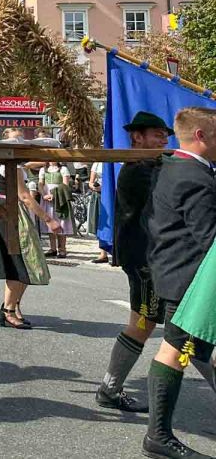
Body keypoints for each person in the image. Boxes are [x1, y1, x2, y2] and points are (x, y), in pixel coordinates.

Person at [140, 108, 216, 459]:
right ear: (201, 136)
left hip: (175, 270)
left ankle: (158, 436)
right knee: (175, 350)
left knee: (190, 350)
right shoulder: (194, 177)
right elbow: (209, 236)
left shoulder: (173, 165)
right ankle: (158, 436)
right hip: (191, 279)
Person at [96, 112, 173, 412]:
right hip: (145, 262)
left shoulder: (152, 165)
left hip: (152, 259)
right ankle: (109, 389)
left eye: (166, 135)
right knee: (146, 324)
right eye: (157, 134)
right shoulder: (140, 170)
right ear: (137, 137)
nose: (164, 140)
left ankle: (109, 388)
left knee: (151, 324)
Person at [0, 127, 59, 329]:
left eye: (20, 139)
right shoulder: (12, 166)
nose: (18, 142)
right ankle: (8, 310)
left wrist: (45, 157)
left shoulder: (13, 164)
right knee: (21, 263)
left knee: (24, 263)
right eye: (14, 140)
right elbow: (25, 197)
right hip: (13, 213)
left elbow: (29, 164)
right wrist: (48, 219)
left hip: (12, 212)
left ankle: (13, 307)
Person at [38, 161, 74, 257]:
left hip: (60, 198)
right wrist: (44, 195)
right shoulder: (43, 169)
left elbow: (65, 184)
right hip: (47, 198)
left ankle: (62, 249)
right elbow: (40, 184)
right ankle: (52, 248)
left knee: (61, 222)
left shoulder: (63, 169)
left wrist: (55, 194)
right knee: (50, 222)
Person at [87, 161, 108, 263]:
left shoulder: (115, 161)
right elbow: (90, 182)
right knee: (101, 223)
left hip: (111, 194)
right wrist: (95, 187)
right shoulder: (97, 164)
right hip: (99, 195)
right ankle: (103, 253)